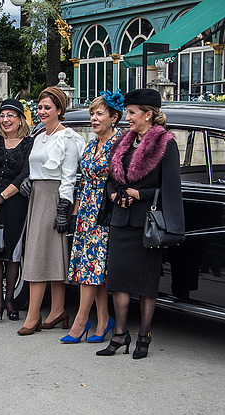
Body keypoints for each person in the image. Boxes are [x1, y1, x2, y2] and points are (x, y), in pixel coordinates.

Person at [96, 88, 184, 359]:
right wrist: (112, 191)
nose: (128, 117)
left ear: (148, 114)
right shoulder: (123, 141)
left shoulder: (165, 143)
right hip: (121, 219)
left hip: (148, 223)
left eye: (132, 112)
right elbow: (111, 175)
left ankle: (144, 336)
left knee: (146, 284)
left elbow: (170, 187)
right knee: (118, 281)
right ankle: (120, 335)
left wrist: (140, 194)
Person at [17, 86, 85, 335]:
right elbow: (36, 167)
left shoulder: (67, 137)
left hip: (55, 198)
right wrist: (30, 180)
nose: (42, 111)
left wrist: (63, 208)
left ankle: (34, 316)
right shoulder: (39, 136)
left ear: (59, 109)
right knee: (52, 254)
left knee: (39, 254)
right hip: (37, 195)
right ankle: (57, 310)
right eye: (40, 107)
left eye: (48, 107)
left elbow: (69, 176)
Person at [61, 91, 124, 344]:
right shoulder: (91, 143)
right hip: (86, 209)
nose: (94, 119)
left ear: (114, 117)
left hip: (105, 211)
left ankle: (80, 321)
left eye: (99, 114)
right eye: (92, 114)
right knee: (95, 268)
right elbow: (83, 180)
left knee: (93, 266)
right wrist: (76, 212)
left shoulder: (120, 144)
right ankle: (103, 320)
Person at [0, 99, 33, 324]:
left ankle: (11, 299)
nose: (5, 120)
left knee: (12, 254)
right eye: (2, 115)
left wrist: (3, 197)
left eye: (11, 115)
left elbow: (25, 174)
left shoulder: (29, 143)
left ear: (20, 119)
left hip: (14, 201)